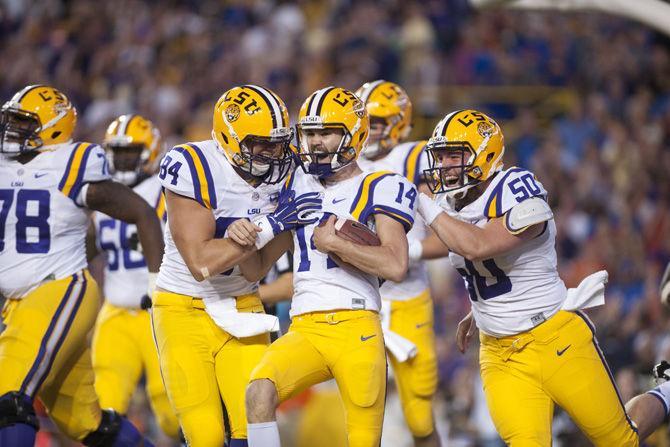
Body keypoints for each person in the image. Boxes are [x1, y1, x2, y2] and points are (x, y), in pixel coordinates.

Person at [416, 109, 642, 446]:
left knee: (621, 441)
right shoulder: (449, 206)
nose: (446, 165)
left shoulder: (517, 186)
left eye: (455, 154)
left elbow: (479, 246)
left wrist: (421, 203)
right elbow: (480, 264)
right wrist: (478, 310)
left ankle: (665, 394)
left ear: (485, 153)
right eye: (441, 156)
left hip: (555, 338)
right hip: (499, 353)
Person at [230, 86, 417, 447]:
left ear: (353, 134)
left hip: (357, 327)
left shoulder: (381, 184)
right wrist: (243, 234)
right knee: (258, 393)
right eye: (310, 133)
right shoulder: (296, 186)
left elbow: (395, 264)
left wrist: (336, 244)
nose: (315, 143)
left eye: (326, 132)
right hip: (305, 327)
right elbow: (256, 269)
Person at [150, 84, 319, 447]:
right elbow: (201, 264)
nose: (273, 153)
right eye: (261, 143)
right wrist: (270, 225)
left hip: (243, 304)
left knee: (254, 423)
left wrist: (282, 232)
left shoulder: (284, 171)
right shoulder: (194, 164)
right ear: (230, 136)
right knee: (207, 436)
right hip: (183, 309)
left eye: (278, 142)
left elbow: (254, 270)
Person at [0, 85, 161, 446]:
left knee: (8, 396)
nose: (12, 130)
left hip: (58, 288)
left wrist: (157, 282)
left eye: (24, 123)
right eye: (10, 120)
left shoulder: (68, 163)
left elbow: (140, 211)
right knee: (85, 423)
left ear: (54, 127)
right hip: (20, 302)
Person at [355, 79, 447, 447]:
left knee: (420, 417)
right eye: (365, 120)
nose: (368, 129)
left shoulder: (414, 157)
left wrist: (410, 251)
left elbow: (450, 233)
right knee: (361, 408)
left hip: (407, 297)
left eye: (377, 122)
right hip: (358, 299)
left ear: (398, 123)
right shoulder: (341, 159)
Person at [88, 114, 180, 440]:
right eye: (118, 152)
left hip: (160, 310)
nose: (124, 159)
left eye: (131, 152)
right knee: (101, 411)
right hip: (115, 312)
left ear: (151, 151)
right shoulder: (100, 193)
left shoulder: (167, 191)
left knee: (173, 414)